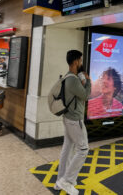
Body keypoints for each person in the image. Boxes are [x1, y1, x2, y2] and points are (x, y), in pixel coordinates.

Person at [55, 50, 91, 195]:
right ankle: (67, 181)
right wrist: (88, 81)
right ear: (75, 61)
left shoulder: (69, 77)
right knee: (83, 149)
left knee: (67, 148)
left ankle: (59, 181)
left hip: (68, 118)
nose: (81, 63)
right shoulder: (73, 80)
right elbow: (86, 95)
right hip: (75, 120)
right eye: (80, 61)